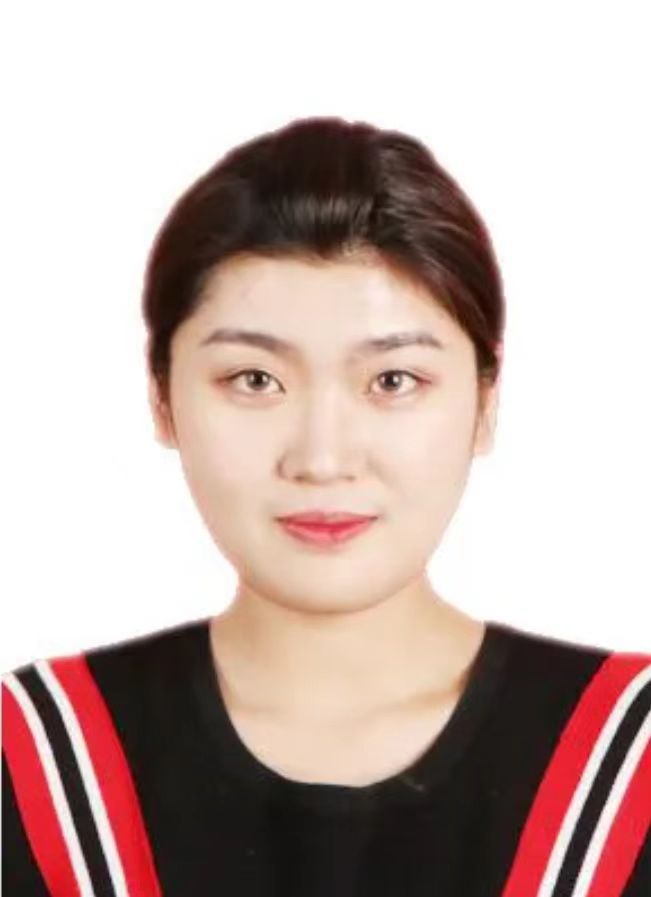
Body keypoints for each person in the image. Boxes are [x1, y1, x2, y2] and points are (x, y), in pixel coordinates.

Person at [3, 116, 649, 896]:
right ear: (161, 396)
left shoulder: (630, 755)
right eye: (254, 380)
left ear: (485, 401)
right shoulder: (34, 754)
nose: (321, 458)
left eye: (392, 380)